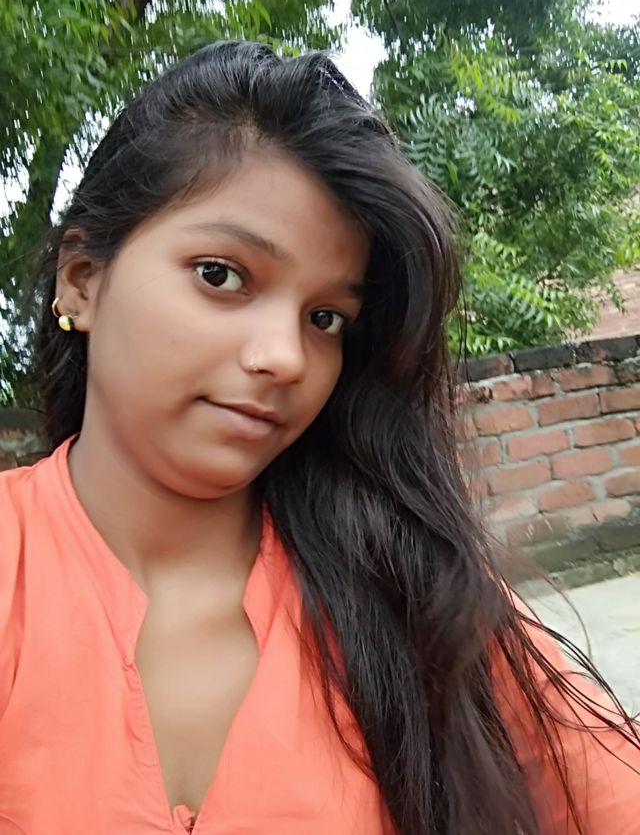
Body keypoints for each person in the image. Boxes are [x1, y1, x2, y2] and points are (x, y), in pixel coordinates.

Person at [0, 41, 638, 835]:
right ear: (82, 281)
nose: (285, 358)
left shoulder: (415, 590)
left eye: (326, 317)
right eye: (221, 274)